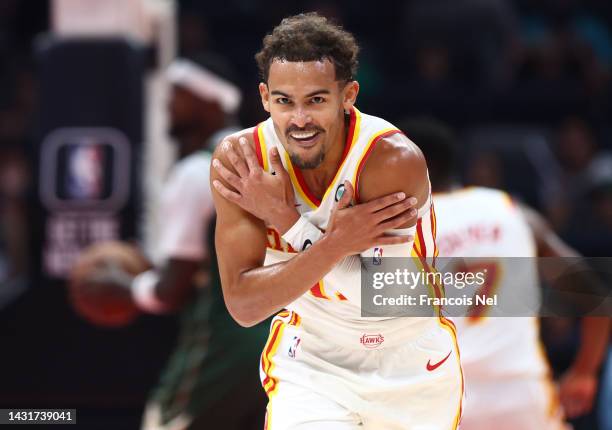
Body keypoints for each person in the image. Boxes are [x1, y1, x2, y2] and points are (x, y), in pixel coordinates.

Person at [211, 13, 463, 430]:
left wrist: (284, 219)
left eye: (316, 100)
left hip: (411, 362)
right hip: (312, 363)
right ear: (263, 97)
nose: (299, 119)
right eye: (283, 101)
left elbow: (377, 297)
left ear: (348, 95)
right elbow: (244, 305)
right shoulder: (242, 162)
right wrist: (335, 242)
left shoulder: (389, 160)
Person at [73, 57, 269, 430]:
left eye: (178, 94)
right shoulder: (270, 162)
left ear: (211, 100)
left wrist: (130, 288)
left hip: (223, 341)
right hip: (286, 344)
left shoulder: (197, 171)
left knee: (162, 423)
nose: (167, 104)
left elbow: (172, 291)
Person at [399, 118, 610, 430]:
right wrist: (583, 372)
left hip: (440, 402)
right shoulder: (512, 210)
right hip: (521, 396)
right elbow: (595, 296)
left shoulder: (395, 232)